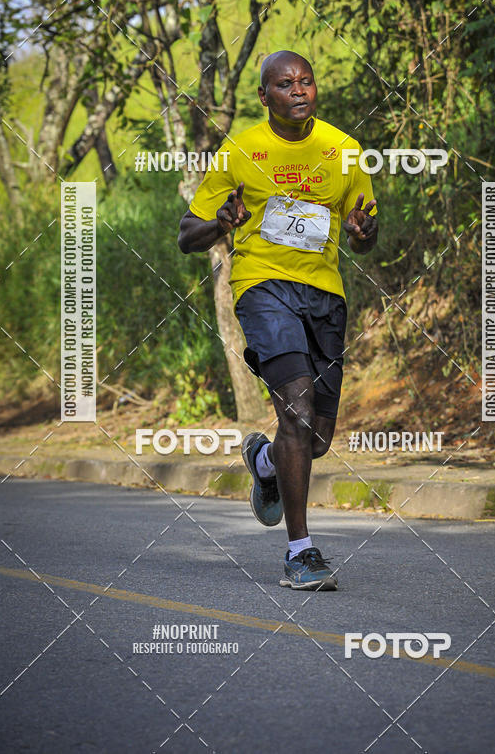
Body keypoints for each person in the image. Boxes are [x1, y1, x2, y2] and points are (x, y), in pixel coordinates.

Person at [178, 50, 378, 591]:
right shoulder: (240, 150)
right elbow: (186, 236)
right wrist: (220, 223)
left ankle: (265, 461)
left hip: (326, 294)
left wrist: (363, 232)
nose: (298, 90)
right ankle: (301, 551)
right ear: (264, 96)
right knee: (296, 406)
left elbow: (366, 231)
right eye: (284, 84)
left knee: (315, 437)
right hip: (262, 287)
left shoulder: (343, 150)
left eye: (306, 81)